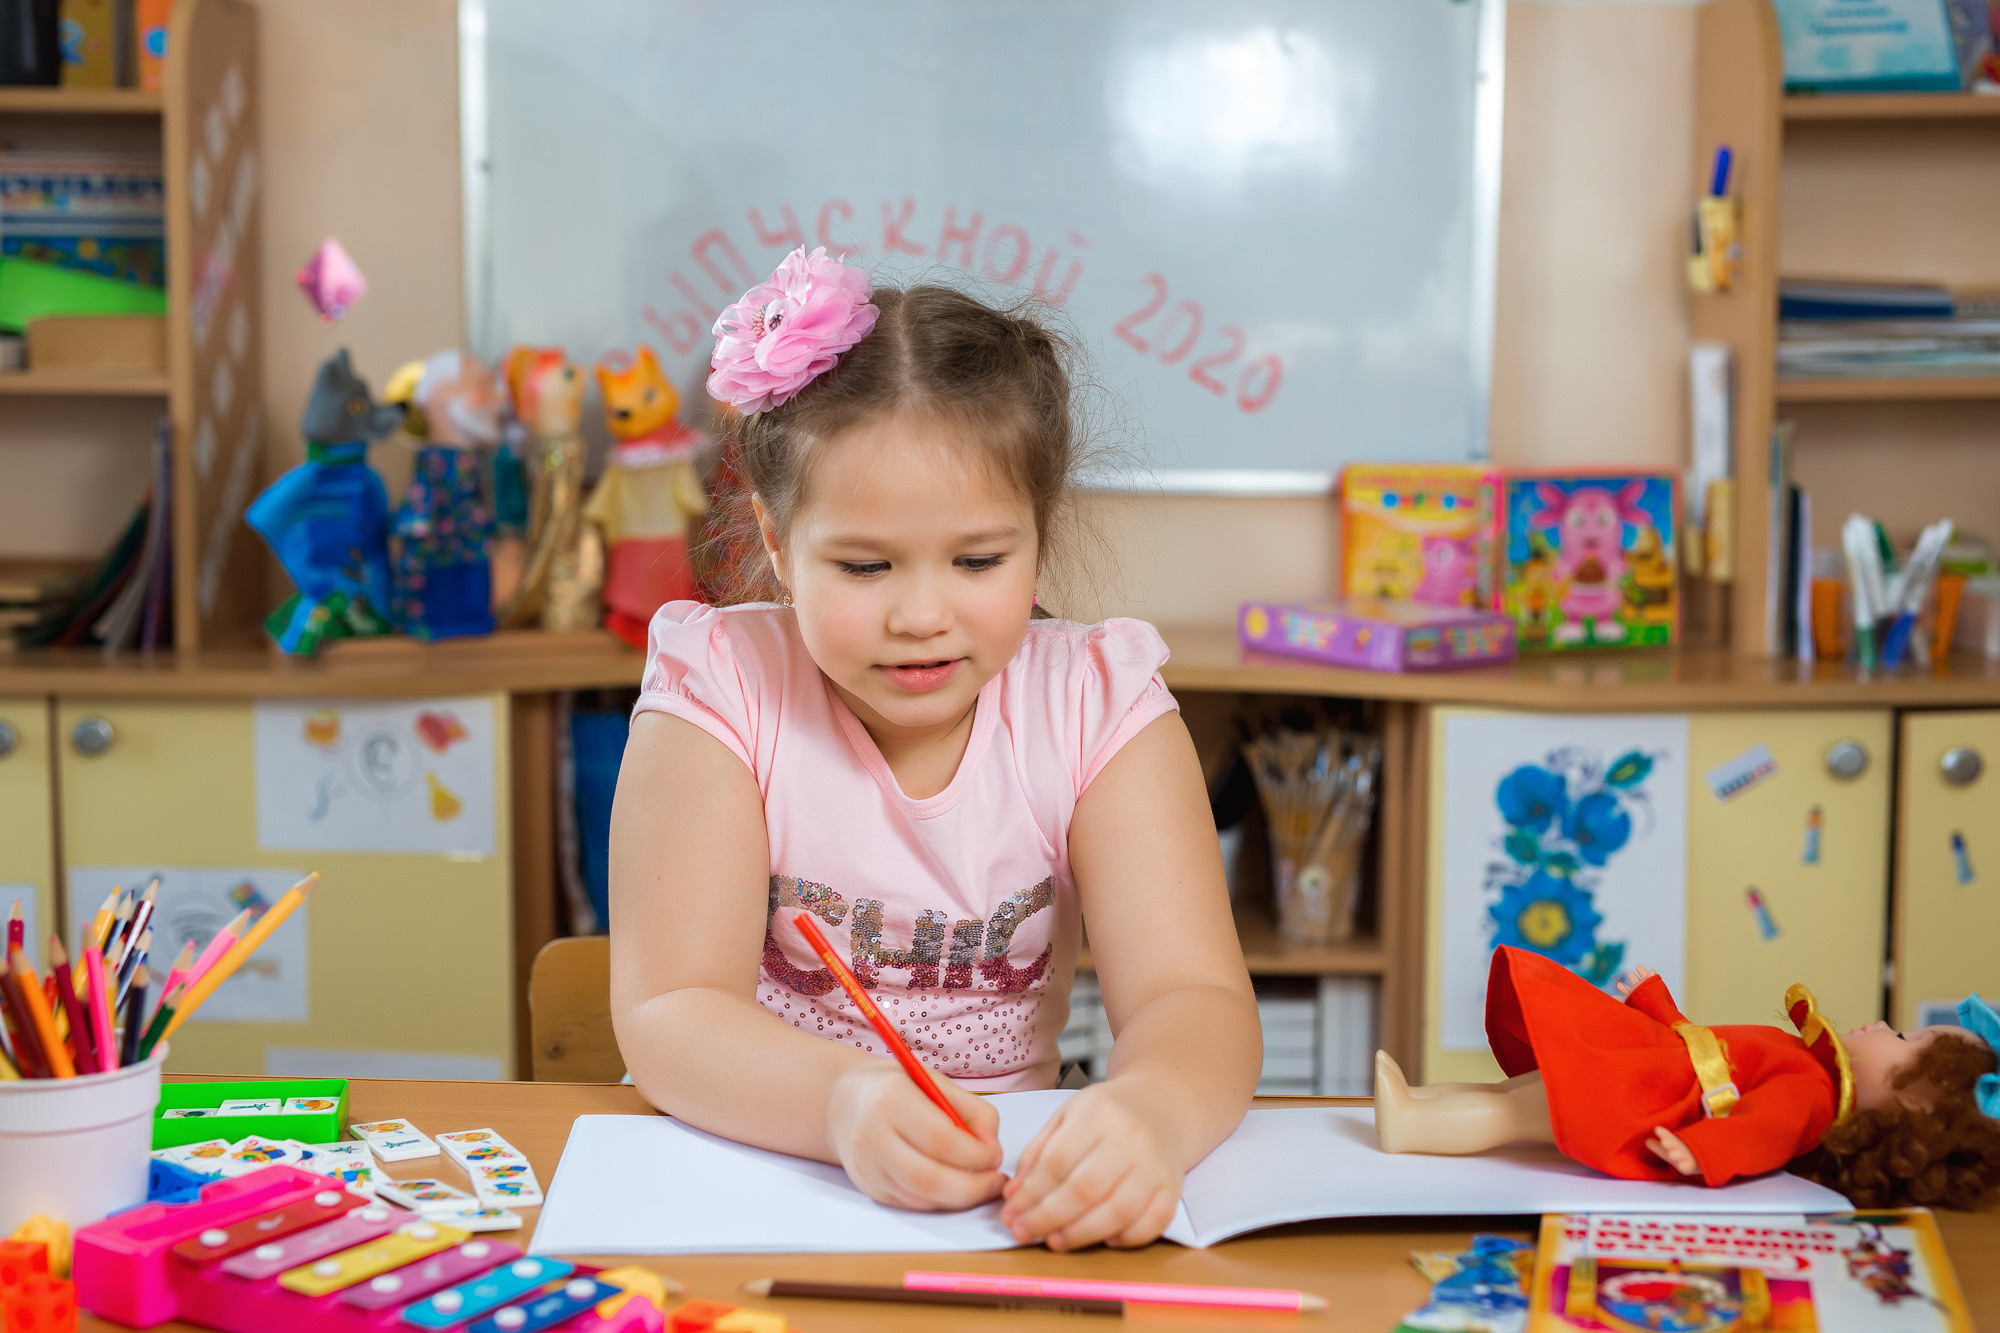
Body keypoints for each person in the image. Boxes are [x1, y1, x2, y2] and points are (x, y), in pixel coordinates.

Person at [609, 246, 1261, 1251]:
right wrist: (840, 1105)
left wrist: (1152, 1116)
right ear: (778, 545)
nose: (921, 615)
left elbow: (1194, 999)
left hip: (1008, 1204)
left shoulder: (1095, 702)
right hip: (759, 1177)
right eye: (864, 565)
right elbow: (669, 1007)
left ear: (1038, 537)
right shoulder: (721, 684)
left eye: (978, 560)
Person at [1375, 946, 2000, 1208]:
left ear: (1914, 1103)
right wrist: (1657, 1004)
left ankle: (1414, 1124)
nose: (1887, 1024)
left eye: (1904, 1041)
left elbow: (1757, 1132)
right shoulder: (1811, 1068)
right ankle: (1427, 1102)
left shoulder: (1809, 1098)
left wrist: (1699, 1152)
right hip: (1655, 1068)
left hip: (1647, 1102)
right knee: (1522, 1092)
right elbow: (1709, 1049)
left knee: (1521, 1111)